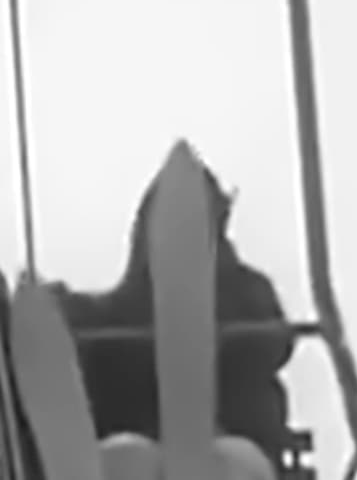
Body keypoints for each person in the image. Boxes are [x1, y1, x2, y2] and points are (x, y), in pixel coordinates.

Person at [56, 149, 296, 468]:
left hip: (226, 446)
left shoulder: (246, 295)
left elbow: (274, 343)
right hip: (167, 450)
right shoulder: (249, 296)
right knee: (131, 456)